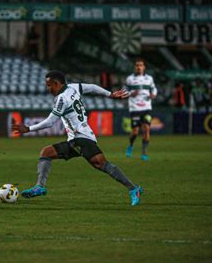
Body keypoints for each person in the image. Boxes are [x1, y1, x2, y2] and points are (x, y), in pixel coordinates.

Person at [12, 70, 143, 206]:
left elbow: (51, 122)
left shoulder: (62, 98)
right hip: (77, 139)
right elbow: (92, 87)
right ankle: (39, 186)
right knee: (46, 153)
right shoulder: (73, 87)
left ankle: (134, 189)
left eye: (49, 85)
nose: (48, 89)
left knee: (102, 164)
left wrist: (29, 128)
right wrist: (110, 95)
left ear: (56, 84)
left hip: (81, 138)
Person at [124, 58, 157, 161]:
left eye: (141, 65)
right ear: (135, 67)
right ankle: (131, 145)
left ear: (144, 67)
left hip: (146, 107)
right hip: (135, 108)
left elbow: (154, 88)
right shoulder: (129, 79)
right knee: (135, 131)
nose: (139, 67)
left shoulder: (149, 79)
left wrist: (153, 94)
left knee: (146, 129)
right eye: (137, 65)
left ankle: (144, 153)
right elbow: (123, 91)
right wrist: (130, 94)